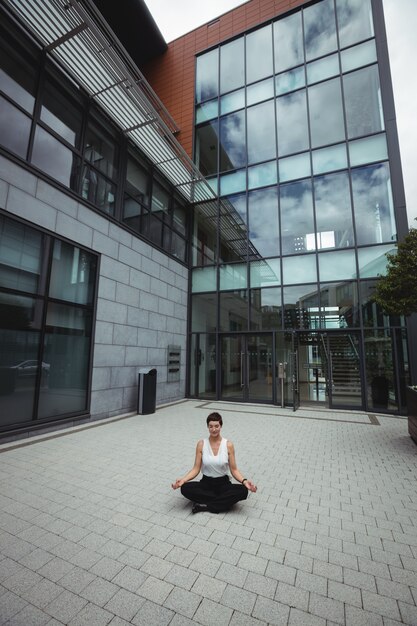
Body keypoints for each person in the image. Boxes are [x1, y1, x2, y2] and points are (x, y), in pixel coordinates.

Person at [171, 412, 257, 514]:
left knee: (243, 491)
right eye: (211, 426)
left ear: (221, 426)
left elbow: (234, 470)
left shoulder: (228, 445)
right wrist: (183, 480)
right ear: (207, 427)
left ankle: (205, 506)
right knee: (185, 488)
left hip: (223, 483)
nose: (214, 429)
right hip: (206, 483)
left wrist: (245, 481)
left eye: (217, 426)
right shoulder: (201, 444)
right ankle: (222, 503)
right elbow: (195, 469)